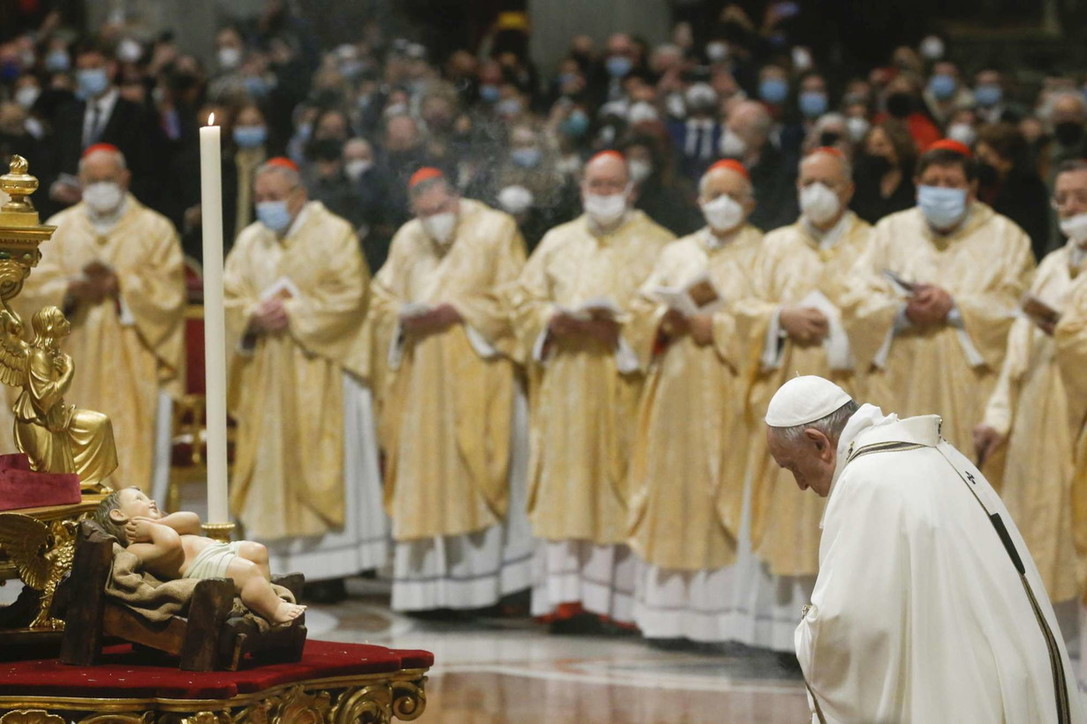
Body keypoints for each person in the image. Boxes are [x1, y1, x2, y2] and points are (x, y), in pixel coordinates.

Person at [765, 375, 1080, 724]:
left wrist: (810, 634)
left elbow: (850, 624)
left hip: (964, 688)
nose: (801, 483)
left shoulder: (867, 480)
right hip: (1009, 670)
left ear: (819, 443)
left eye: (792, 466)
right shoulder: (938, 454)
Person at [512, 150, 674, 628]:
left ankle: (617, 604)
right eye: (595, 185)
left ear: (632, 190)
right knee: (565, 488)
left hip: (622, 385)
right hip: (564, 384)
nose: (603, 194)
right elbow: (522, 300)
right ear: (582, 188)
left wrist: (622, 331)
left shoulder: (659, 245)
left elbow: (662, 310)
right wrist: (548, 321)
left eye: (612, 185)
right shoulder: (557, 241)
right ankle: (565, 601)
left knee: (617, 486)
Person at [224, 157, 386, 603]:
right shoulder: (250, 241)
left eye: (274, 197)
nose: (265, 206)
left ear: (299, 196)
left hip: (323, 369)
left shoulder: (333, 233)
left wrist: (291, 312)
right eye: (260, 198)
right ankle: (273, 561)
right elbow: (227, 295)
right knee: (272, 460)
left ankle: (330, 567)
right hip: (268, 376)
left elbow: (353, 297)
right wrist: (250, 315)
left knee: (324, 458)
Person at [369, 168, 531, 613]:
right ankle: (427, 594)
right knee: (424, 478)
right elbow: (379, 299)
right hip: (421, 384)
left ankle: (482, 592)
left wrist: (458, 310)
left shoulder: (496, 229)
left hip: (480, 374)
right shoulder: (407, 239)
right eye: (423, 214)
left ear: (456, 200)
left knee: (474, 471)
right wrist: (402, 316)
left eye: (440, 210)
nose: (432, 220)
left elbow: (517, 298)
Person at [731, 147, 872, 652]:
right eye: (806, 181)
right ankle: (784, 634)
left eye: (827, 183)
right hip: (784, 406)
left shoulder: (874, 243)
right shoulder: (773, 245)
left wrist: (842, 323)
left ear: (848, 190)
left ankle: (843, 632)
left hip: (847, 402)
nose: (815, 192)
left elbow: (886, 310)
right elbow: (738, 309)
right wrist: (776, 317)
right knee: (788, 510)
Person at [624, 160, 762, 645]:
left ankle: (720, 620)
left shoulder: (765, 252)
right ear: (700, 202)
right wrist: (663, 319)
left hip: (731, 393)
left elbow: (768, 322)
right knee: (672, 492)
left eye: (733, 195)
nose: (722, 204)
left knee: (721, 491)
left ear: (749, 203)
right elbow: (639, 312)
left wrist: (717, 327)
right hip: (674, 394)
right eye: (713, 195)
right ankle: (666, 619)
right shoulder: (676, 252)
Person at [840, 140, 1035, 461]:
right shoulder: (890, 231)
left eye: (952, 183)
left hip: (973, 391)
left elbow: (1019, 311)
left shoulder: (1007, 237)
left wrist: (955, 308)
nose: (941, 190)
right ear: (916, 185)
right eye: (932, 183)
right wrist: (902, 312)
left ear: (972, 188)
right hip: (899, 385)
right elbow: (854, 300)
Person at [18, 144, 185, 496]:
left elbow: (169, 295)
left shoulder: (155, 229)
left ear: (124, 178)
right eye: (92, 180)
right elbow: (30, 291)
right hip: (70, 360)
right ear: (80, 181)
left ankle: (136, 525)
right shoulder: (58, 228)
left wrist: (121, 286)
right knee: (70, 448)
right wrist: (71, 290)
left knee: (130, 446)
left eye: (107, 179)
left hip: (134, 363)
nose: (100, 186)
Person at [974, 160, 1087, 639]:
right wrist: (997, 417)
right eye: (1063, 198)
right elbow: (1017, 353)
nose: (1071, 207)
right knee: (1036, 545)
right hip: (1035, 419)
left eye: (1082, 197)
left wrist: (1061, 329)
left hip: (1077, 422)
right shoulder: (1050, 266)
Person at [94, 487, 306, 624]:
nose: (151, 501)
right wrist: (151, 530)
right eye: (140, 498)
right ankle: (274, 610)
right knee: (248, 571)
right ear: (119, 515)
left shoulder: (161, 525)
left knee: (257, 551)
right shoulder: (136, 548)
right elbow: (171, 544)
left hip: (217, 551)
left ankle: (262, 597)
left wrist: (155, 524)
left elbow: (193, 520)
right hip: (203, 566)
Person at [975, 122, 1050, 262]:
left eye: (986, 157)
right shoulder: (978, 185)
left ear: (1007, 159)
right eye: (979, 157)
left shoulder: (1030, 189)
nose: (980, 164)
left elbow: (1034, 237)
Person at [720, 100, 797, 232]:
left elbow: (783, 217)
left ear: (759, 137)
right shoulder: (720, 164)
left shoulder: (786, 171)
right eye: (727, 127)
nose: (728, 136)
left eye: (735, 131)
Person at [849, 120, 917, 225]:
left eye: (881, 145)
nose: (874, 151)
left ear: (899, 147)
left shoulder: (915, 178)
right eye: (869, 146)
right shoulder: (859, 178)